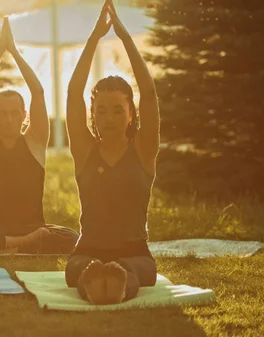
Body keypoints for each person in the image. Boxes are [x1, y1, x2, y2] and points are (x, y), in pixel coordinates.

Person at [64, 0, 161, 305]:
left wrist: (125, 38)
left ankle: (116, 281)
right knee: (78, 268)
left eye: (118, 111)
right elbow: (73, 92)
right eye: (101, 111)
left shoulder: (144, 150)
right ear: (92, 115)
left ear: (132, 114)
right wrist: (94, 38)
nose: (109, 118)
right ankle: (97, 280)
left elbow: (148, 92)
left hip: (135, 253)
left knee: (137, 269)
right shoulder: (85, 150)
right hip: (88, 251)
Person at [0, 18, 79, 255]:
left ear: (25, 115)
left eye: (15, 114)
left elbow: (38, 91)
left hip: (33, 228)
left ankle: (5, 248)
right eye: (3, 114)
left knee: (73, 237)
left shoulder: (34, 144)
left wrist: (13, 51)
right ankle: (17, 245)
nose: (9, 119)